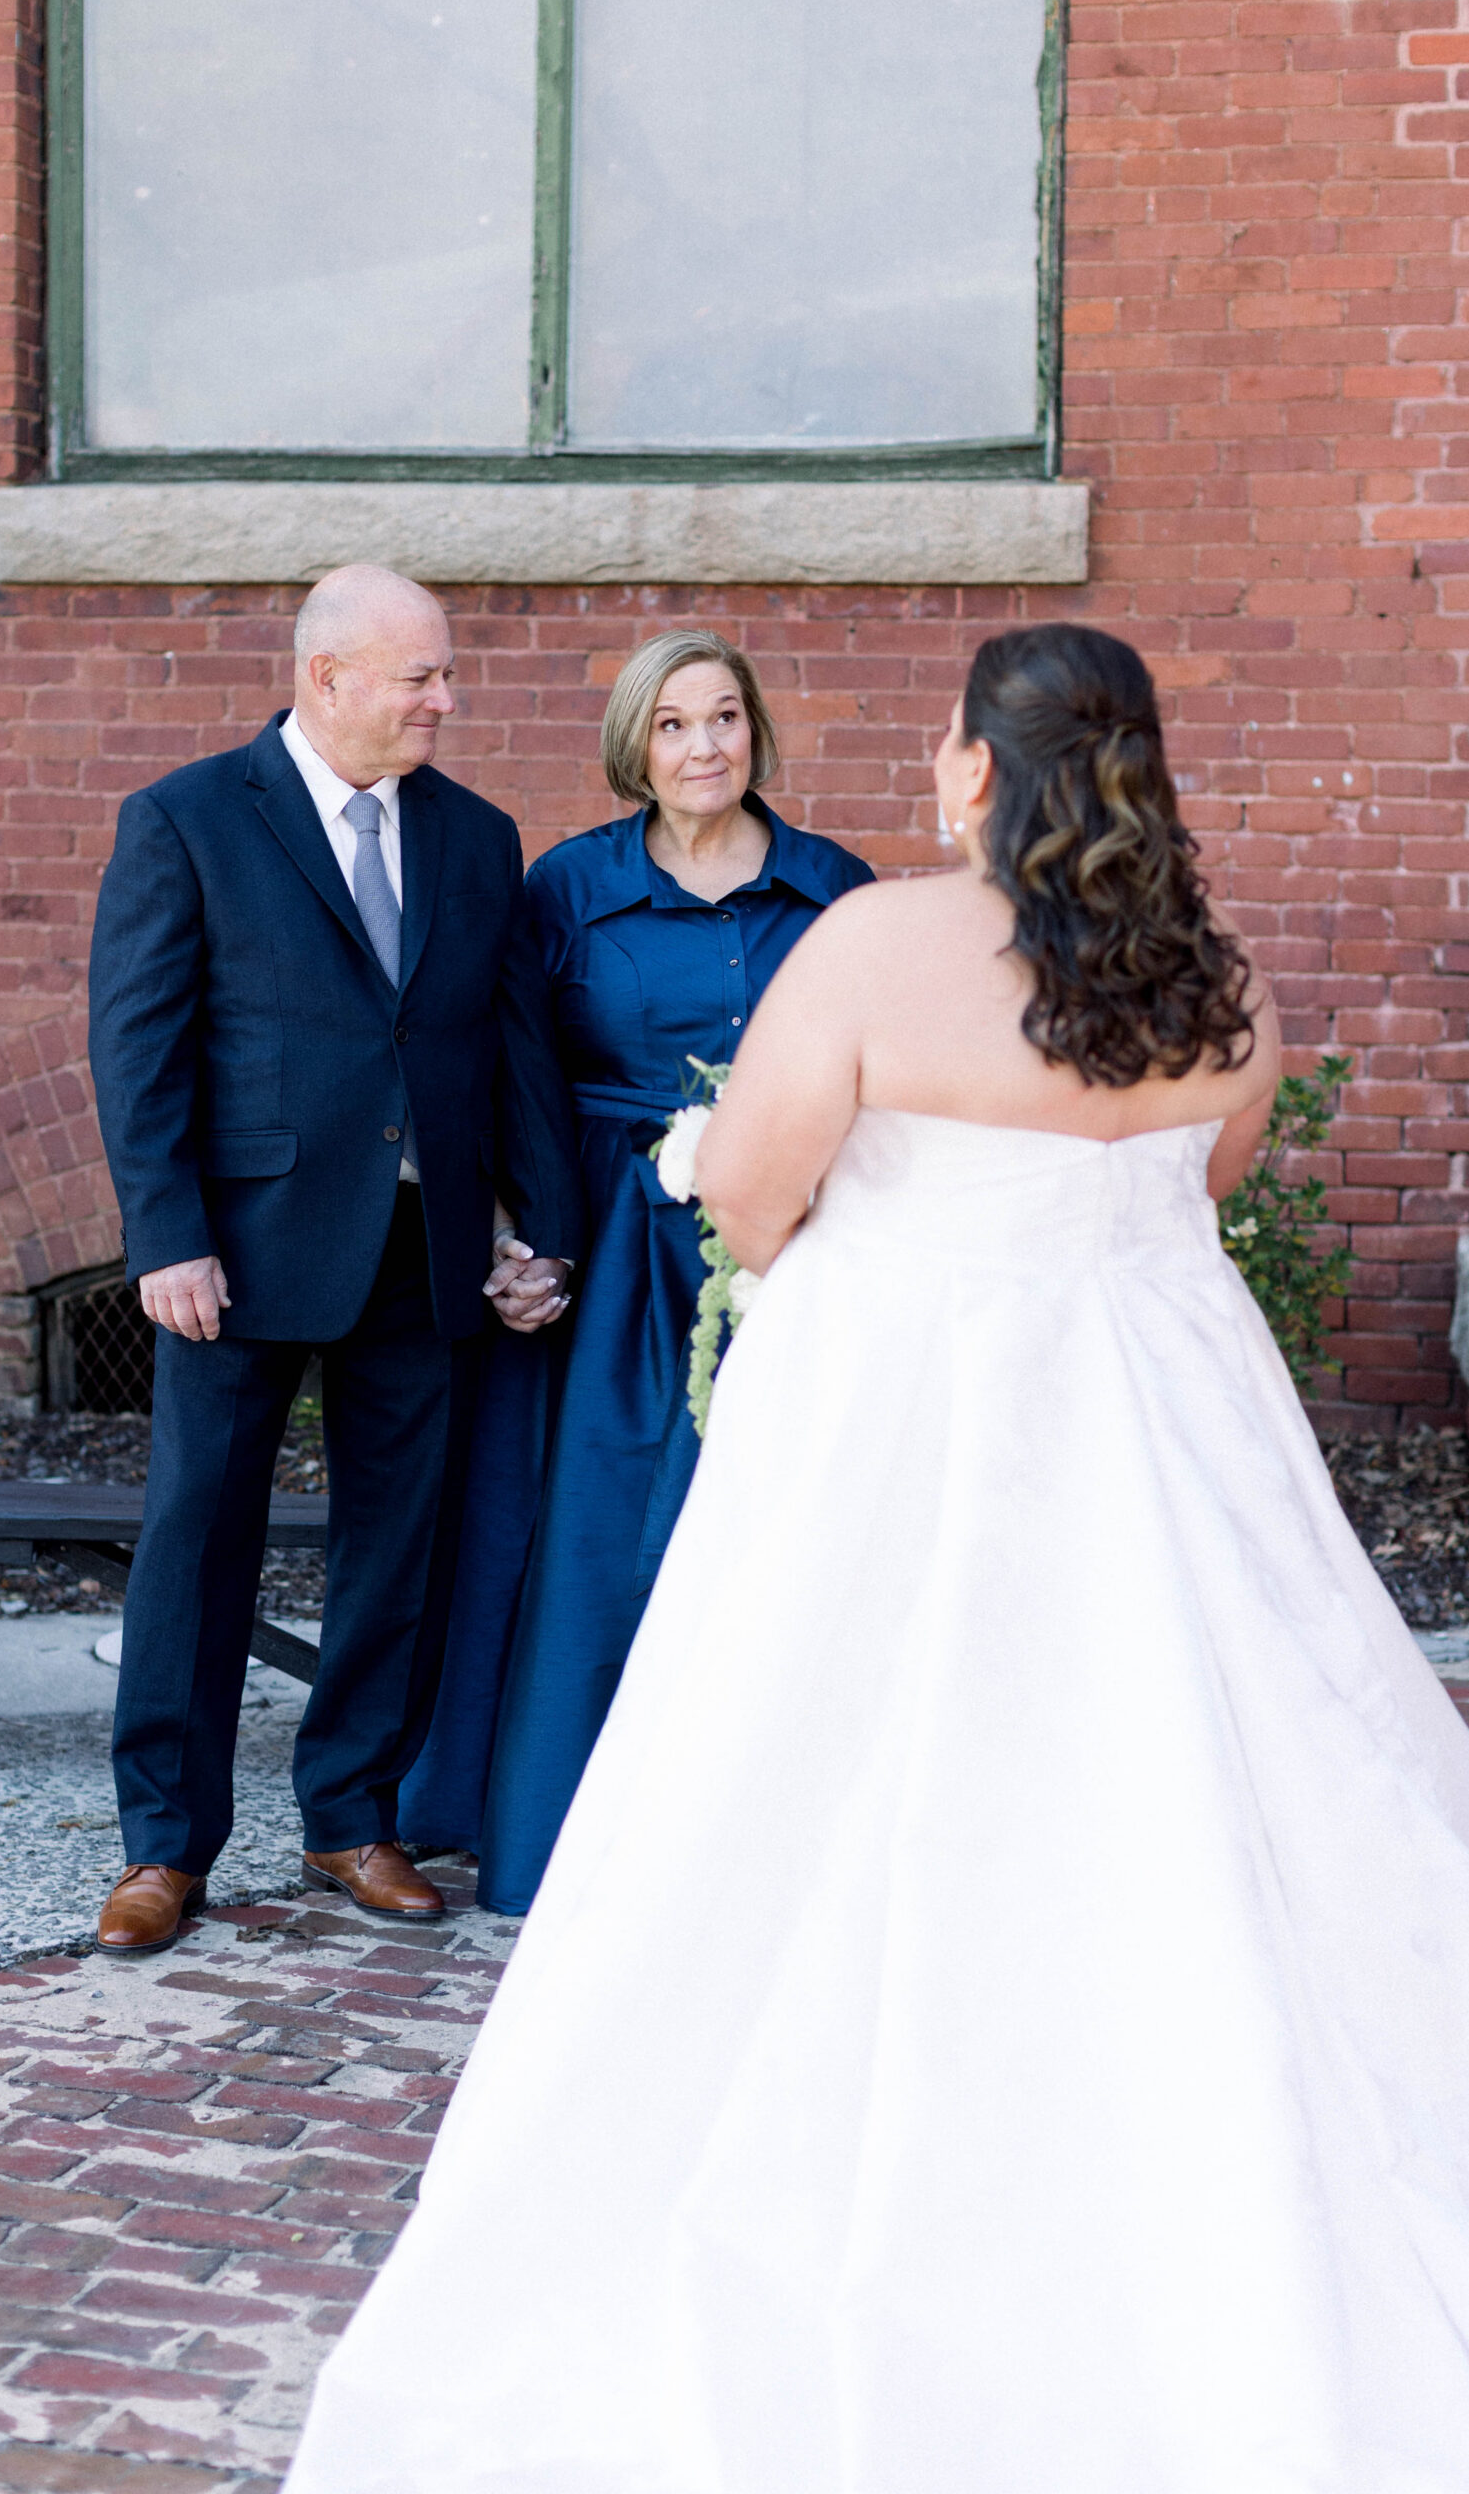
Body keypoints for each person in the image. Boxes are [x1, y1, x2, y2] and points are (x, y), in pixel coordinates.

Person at [287, 623, 1469, 2491]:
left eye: (943, 740)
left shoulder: (869, 944)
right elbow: (1199, 1188)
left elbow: (754, 1192)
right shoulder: (1219, 982)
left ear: (977, 770)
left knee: (823, 1754)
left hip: (904, 1414)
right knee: (1185, 1746)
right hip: (1166, 1416)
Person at [86, 563, 582, 1955]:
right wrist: (167, 1233)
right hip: (236, 1257)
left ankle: (351, 1817)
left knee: (397, 1545)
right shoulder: (187, 818)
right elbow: (138, 1043)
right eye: (420, 675)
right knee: (198, 1542)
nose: (445, 698)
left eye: (445, 672)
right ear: (328, 677)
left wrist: (538, 1230)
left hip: (423, 1249)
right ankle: (163, 1847)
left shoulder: (477, 837)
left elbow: (511, 1051)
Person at [396, 629, 873, 1910]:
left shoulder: (835, 888)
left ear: (755, 730)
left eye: (724, 717)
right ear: (634, 746)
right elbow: (501, 1077)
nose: (703, 746)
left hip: (782, 1240)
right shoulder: (565, 888)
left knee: (765, 1520)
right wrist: (515, 1233)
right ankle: (562, 1821)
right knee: (595, 1525)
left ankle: (760, 1835)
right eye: (672, 723)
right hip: (604, 1246)